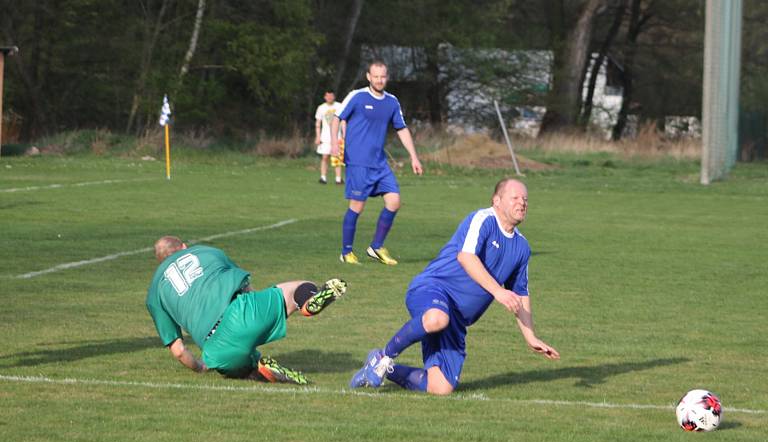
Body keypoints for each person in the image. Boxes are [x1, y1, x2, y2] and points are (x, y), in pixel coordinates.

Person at [349, 178, 559, 395]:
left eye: (525, 199)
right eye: (515, 197)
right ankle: (384, 357)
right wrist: (498, 291)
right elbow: (466, 257)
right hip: (433, 289)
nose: (522, 203)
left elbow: (520, 294)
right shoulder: (483, 219)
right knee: (437, 318)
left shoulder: (522, 247)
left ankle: (379, 365)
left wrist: (531, 337)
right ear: (497, 200)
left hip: (457, 320)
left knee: (441, 387)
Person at [146, 236, 347, 384]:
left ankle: (260, 369)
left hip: (215, 349)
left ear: (160, 261)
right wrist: (261, 314)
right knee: (297, 289)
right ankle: (307, 302)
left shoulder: (154, 292)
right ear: (183, 247)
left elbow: (179, 350)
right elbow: (245, 285)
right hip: (242, 311)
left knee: (235, 366)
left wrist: (201, 367)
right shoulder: (205, 251)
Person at [329, 59, 423, 266]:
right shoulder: (357, 97)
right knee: (357, 206)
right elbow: (336, 118)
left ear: (386, 78)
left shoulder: (392, 102)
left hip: (380, 163)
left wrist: (414, 157)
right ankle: (346, 252)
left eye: (383, 76)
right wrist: (335, 142)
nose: (380, 80)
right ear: (369, 77)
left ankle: (376, 247)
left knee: (394, 201)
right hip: (358, 162)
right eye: (376, 76)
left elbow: (402, 129)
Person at [314, 90, 345, 185]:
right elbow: (318, 123)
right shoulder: (321, 108)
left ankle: (338, 179)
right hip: (325, 137)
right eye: (328, 96)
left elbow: (343, 121)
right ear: (325, 97)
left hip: (337, 137)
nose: (330, 98)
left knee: (337, 158)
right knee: (325, 157)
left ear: (334, 97)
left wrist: (344, 134)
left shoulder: (339, 106)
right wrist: (318, 136)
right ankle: (323, 178)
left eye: (331, 96)